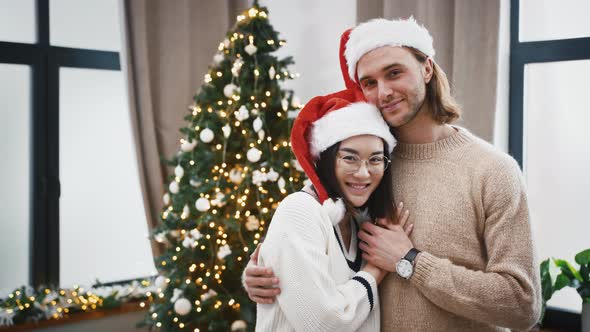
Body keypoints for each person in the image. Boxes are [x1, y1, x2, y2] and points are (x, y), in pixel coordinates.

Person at [244, 17, 541, 331]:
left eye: (394, 73)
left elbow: (522, 304)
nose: (383, 92)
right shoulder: (366, 169)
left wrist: (411, 261)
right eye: (369, 83)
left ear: (426, 68)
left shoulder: (492, 171)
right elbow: (314, 232)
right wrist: (276, 276)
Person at [253, 88, 412, 331]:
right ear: (327, 159)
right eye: (350, 158)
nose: (363, 173)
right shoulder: (299, 210)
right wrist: (375, 271)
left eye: (375, 159)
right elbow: (323, 324)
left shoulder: (360, 220)